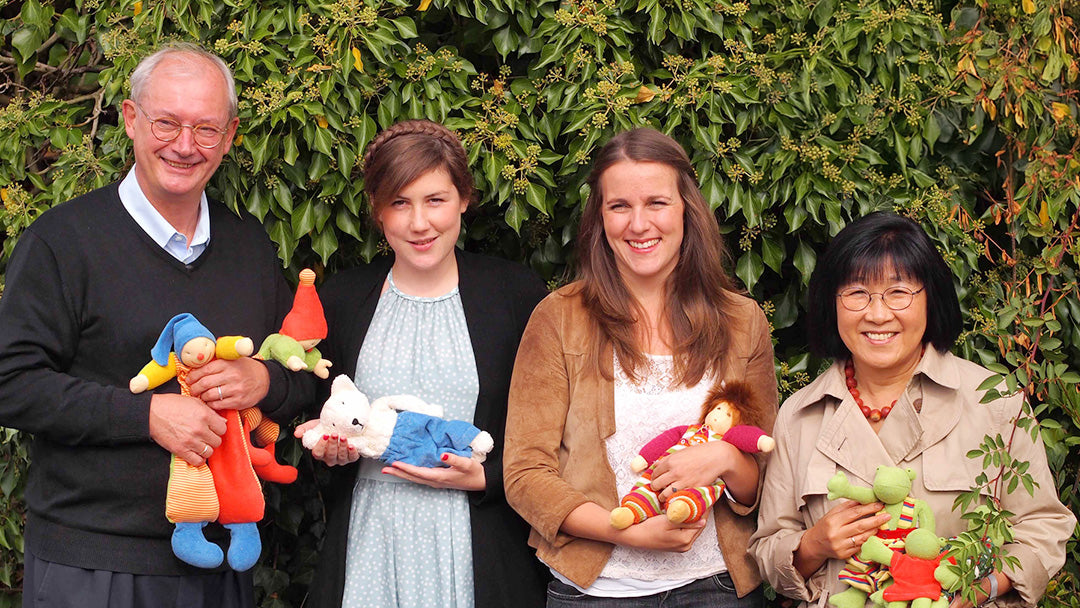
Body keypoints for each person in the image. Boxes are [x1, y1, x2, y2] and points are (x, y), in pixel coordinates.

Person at [0, 43, 313, 606]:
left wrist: (267, 382)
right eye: (166, 123)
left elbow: (306, 368)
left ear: (231, 135)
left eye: (206, 129)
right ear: (129, 118)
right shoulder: (61, 241)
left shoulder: (250, 248)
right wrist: (145, 415)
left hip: (221, 566)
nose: (185, 146)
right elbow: (11, 383)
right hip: (93, 565)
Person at [503, 127, 778, 607]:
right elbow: (525, 474)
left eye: (656, 203)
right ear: (600, 218)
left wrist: (728, 460)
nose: (638, 224)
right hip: (594, 592)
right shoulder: (559, 318)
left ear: (686, 211)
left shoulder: (742, 320)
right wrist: (626, 532)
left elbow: (767, 474)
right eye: (619, 206)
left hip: (717, 590)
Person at [748, 212, 1076, 608]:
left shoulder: (994, 401)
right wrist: (812, 545)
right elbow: (768, 547)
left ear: (930, 298)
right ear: (830, 303)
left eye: (899, 292)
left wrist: (983, 588)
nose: (878, 314)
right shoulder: (799, 415)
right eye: (856, 293)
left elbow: (1044, 524)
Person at [297, 119, 551, 608]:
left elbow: (555, 432)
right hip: (369, 546)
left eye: (435, 200)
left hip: (481, 545)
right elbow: (319, 417)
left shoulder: (513, 295)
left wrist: (488, 478)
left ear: (463, 199)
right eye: (399, 202)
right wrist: (330, 451)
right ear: (377, 210)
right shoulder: (344, 299)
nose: (419, 223)